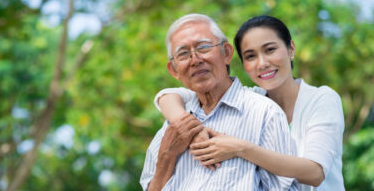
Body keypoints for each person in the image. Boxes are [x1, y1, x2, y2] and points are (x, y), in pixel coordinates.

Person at [154, 15, 345, 190]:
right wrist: (188, 128)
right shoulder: (254, 97)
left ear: (290, 49)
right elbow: (169, 95)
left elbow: (315, 173)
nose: (262, 63)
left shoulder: (321, 99)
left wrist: (240, 148)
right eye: (250, 56)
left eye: (270, 50)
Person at [140, 14, 298, 190]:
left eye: (204, 47)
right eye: (184, 54)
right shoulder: (172, 125)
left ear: (227, 54)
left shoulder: (263, 112)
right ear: (174, 70)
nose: (196, 60)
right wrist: (166, 157)